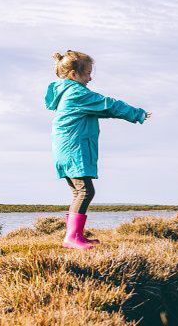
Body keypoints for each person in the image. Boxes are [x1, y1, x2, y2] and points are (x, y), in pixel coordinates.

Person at [45, 50, 151, 249]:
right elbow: (107, 105)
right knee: (85, 191)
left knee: (79, 192)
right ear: (74, 75)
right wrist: (137, 113)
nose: (90, 77)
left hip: (65, 150)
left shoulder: (67, 93)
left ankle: (75, 236)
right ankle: (72, 238)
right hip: (74, 149)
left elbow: (101, 110)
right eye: (87, 73)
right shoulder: (77, 93)